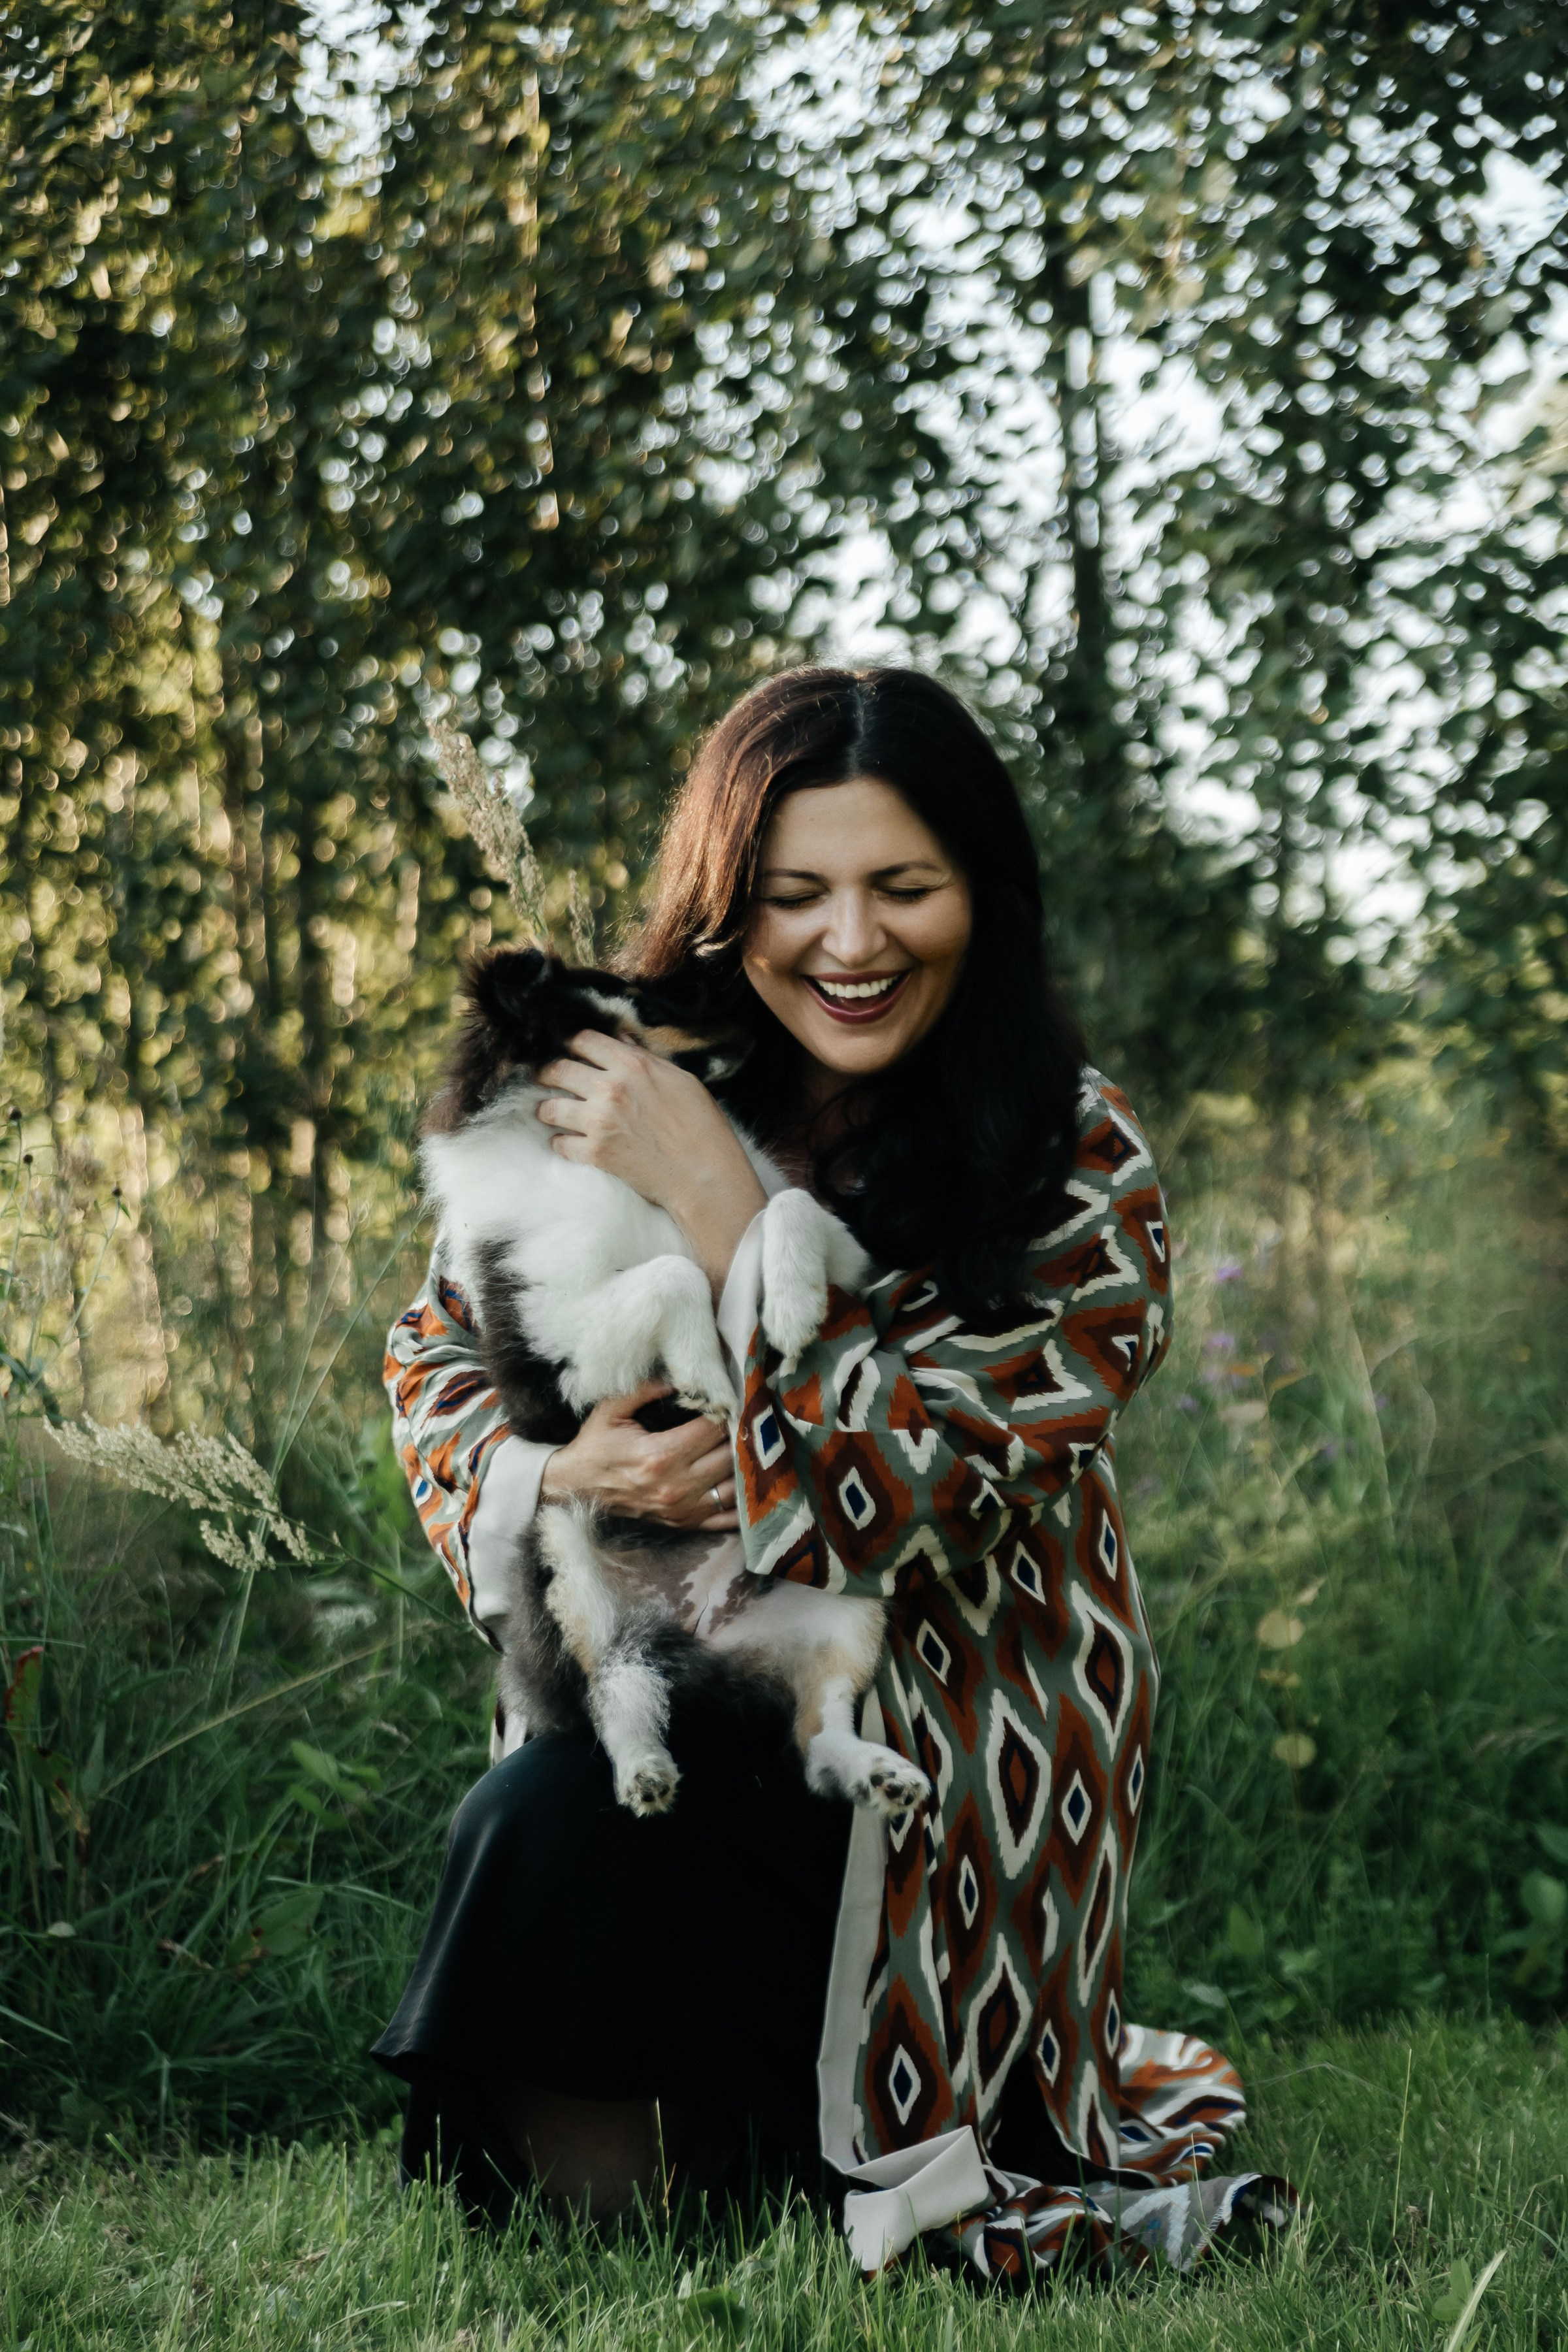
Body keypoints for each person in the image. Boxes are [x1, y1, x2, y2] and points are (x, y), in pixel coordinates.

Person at [374, 667, 1287, 2282]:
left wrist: (718, 1197)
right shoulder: (618, 1077)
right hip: (666, 1673)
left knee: (793, 2030)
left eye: (903, 887)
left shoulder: (1077, 1157)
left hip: (945, 1726)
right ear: (728, 905)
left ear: (982, 897)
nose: (850, 942)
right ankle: (739, 2137)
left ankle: (881, 2126)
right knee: (551, 1834)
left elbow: (939, 1485)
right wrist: (555, 1469)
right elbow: (433, 1354)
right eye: (797, 895)